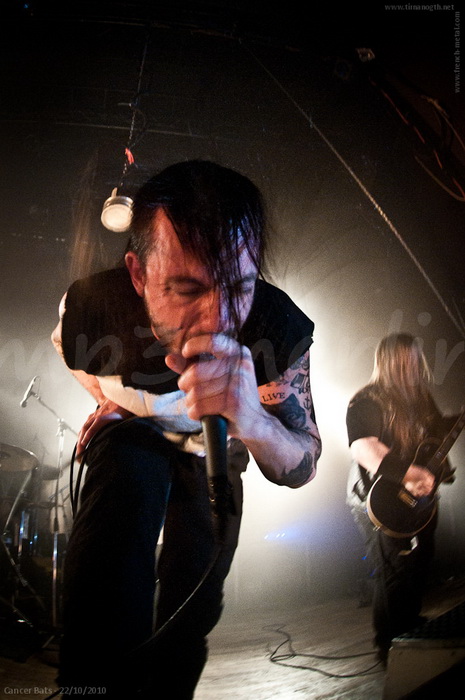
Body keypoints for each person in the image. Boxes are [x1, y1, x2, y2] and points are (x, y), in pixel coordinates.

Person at [51, 159, 322, 698]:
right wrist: (107, 401)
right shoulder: (95, 305)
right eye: (186, 288)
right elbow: (67, 351)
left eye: (239, 286)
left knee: (193, 596)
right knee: (118, 505)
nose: (218, 319)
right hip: (137, 431)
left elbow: (303, 463)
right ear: (138, 275)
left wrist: (252, 419)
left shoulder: (275, 325)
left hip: (217, 447)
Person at [346, 333, 457, 666]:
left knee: (420, 563)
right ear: (389, 361)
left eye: (415, 358)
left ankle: (408, 629)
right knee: (394, 570)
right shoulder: (367, 400)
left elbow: (435, 436)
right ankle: (390, 646)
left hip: (418, 499)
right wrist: (408, 474)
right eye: (405, 359)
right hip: (376, 500)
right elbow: (363, 447)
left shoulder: (421, 399)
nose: (413, 365)